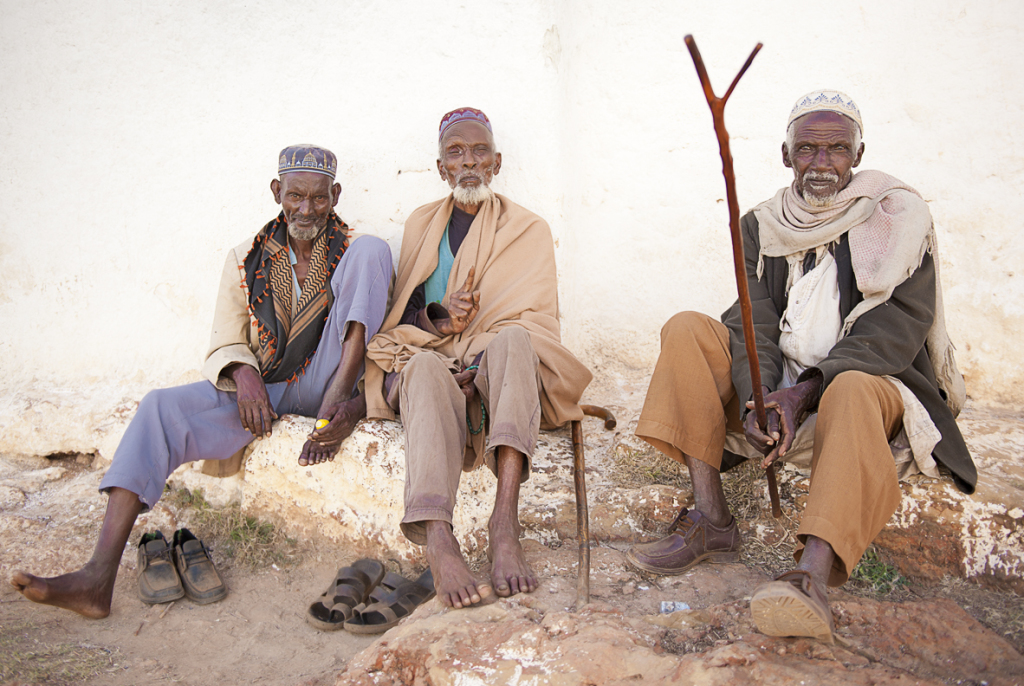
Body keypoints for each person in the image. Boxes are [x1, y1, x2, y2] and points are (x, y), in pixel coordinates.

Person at [627, 91, 977, 643]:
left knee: (854, 389)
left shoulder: (898, 215)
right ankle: (712, 521)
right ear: (785, 155)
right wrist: (763, 395)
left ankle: (811, 576)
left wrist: (805, 391)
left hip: (866, 383)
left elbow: (897, 327)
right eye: (807, 149)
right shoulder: (762, 224)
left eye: (837, 149)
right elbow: (755, 321)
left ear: (858, 153)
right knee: (688, 328)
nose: (822, 163)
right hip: (783, 386)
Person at [11, 145, 393, 618]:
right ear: (277, 192)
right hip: (268, 392)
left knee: (375, 247)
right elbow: (225, 341)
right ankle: (97, 578)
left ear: (335, 196)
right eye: (296, 196)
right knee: (157, 408)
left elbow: (374, 326)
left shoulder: (354, 251)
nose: (307, 209)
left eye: (319, 198)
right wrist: (245, 373)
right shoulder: (246, 257)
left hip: (331, 377)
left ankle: (330, 406)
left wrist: (345, 401)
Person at [363, 108, 592, 609]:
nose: (469, 162)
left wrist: (477, 355)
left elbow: (537, 322)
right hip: (437, 367)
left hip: (499, 371)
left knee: (512, 340)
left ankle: (503, 521)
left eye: (479, 151)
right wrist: (439, 320)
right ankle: (440, 540)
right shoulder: (423, 223)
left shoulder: (528, 229)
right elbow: (408, 316)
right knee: (419, 367)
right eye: (456, 152)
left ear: (497, 162)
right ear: (442, 167)